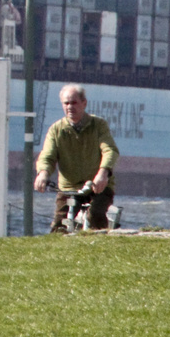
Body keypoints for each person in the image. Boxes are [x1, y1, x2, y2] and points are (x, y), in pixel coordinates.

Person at [33, 83, 119, 233]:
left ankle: (100, 248)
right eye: (66, 103)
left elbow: (110, 150)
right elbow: (48, 155)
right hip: (69, 187)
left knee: (96, 215)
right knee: (59, 224)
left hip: (97, 186)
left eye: (74, 102)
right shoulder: (56, 129)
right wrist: (43, 173)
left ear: (84, 103)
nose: (70, 107)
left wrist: (103, 173)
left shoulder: (98, 125)